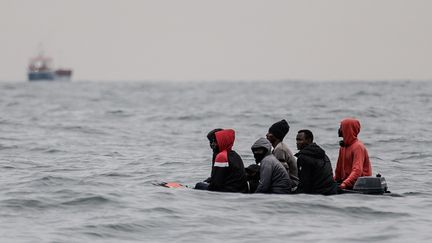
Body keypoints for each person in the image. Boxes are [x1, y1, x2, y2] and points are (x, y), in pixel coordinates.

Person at [295, 130, 338, 195]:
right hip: (331, 190)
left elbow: (304, 184)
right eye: (297, 140)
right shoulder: (323, 154)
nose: (297, 142)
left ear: (309, 140)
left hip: (318, 193)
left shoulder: (303, 157)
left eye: (300, 140)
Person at [334, 118, 372, 190]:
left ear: (347, 129)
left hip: (361, 184)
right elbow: (338, 171)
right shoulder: (343, 147)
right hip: (347, 183)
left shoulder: (358, 147)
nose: (339, 130)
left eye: (341, 127)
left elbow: (357, 171)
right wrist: (331, 181)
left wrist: (344, 184)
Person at [266, 119, 299, 190]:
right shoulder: (279, 147)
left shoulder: (280, 149)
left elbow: (281, 173)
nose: (267, 135)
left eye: (270, 133)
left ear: (276, 135)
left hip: (291, 183)